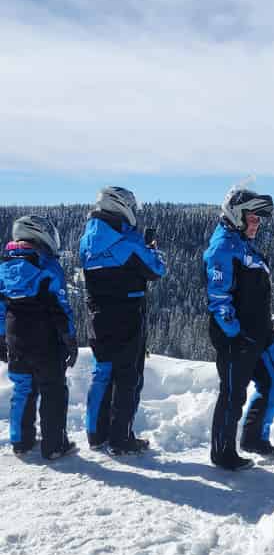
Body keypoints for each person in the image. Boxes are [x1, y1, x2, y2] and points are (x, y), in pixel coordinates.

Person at [205, 187, 274, 471]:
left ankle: (253, 439)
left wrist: (265, 330)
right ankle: (222, 454)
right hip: (236, 337)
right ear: (236, 216)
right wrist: (234, 334)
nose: (257, 224)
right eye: (252, 218)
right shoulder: (222, 248)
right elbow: (218, 298)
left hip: (260, 333)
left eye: (258, 219)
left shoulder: (241, 244)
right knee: (233, 394)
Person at [80, 186, 166, 455]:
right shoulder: (128, 242)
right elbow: (156, 269)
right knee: (128, 377)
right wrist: (152, 249)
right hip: (127, 315)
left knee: (103, 372)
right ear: (121, 206)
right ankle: (121, 439)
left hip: (97, 315)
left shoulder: (88, 239)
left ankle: (96, 434)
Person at [0, 215, 78, 460]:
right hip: (46, 339)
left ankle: (20, 442)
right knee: (53, 390)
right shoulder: (47, 266)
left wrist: (2, 337)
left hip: (15, 337)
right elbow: (61, 306)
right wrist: (70, 339)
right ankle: (54, 445)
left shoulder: (4, 267)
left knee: (23, 388)